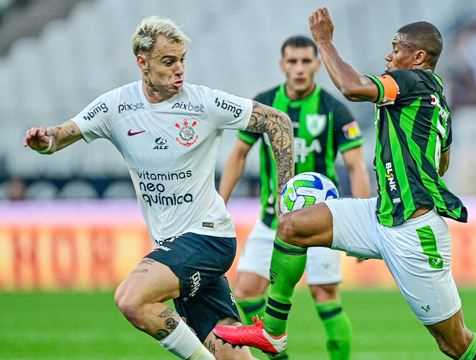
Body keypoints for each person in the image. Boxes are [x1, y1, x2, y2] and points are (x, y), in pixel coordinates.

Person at [214, 8, 476, 360]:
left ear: (418, 58)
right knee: (292, 225)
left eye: (396, 48)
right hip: (380, 214)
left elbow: (353, 88)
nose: (389, 54)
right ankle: (273, 332)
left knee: (454, 342)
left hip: (413, 232)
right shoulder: (438, 100)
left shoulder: (412, 81)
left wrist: (324, 40)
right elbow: (442, 163)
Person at [23, 16, 294, 360]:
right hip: (174, 249)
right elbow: (61, 136)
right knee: (233, 356)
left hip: (208, 238)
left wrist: (287, 201)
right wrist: (44, 140)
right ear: (142, 62)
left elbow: (277, 121)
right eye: (169, 61)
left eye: (182, 60)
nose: (179, 69)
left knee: (131, 298)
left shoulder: (203, 103)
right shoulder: (117, 106)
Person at [219, 35, 370, 360]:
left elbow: (356, 166)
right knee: (245, 291)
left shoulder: (334, 110)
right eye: (292, 61)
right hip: (272, 219)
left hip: (320, 222)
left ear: (317, 63)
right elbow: (238, 154)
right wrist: (220, 204)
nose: (299, 68)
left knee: (324, 294)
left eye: (305, 61)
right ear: (282, 64)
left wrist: (362, 218)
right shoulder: (265, 104)